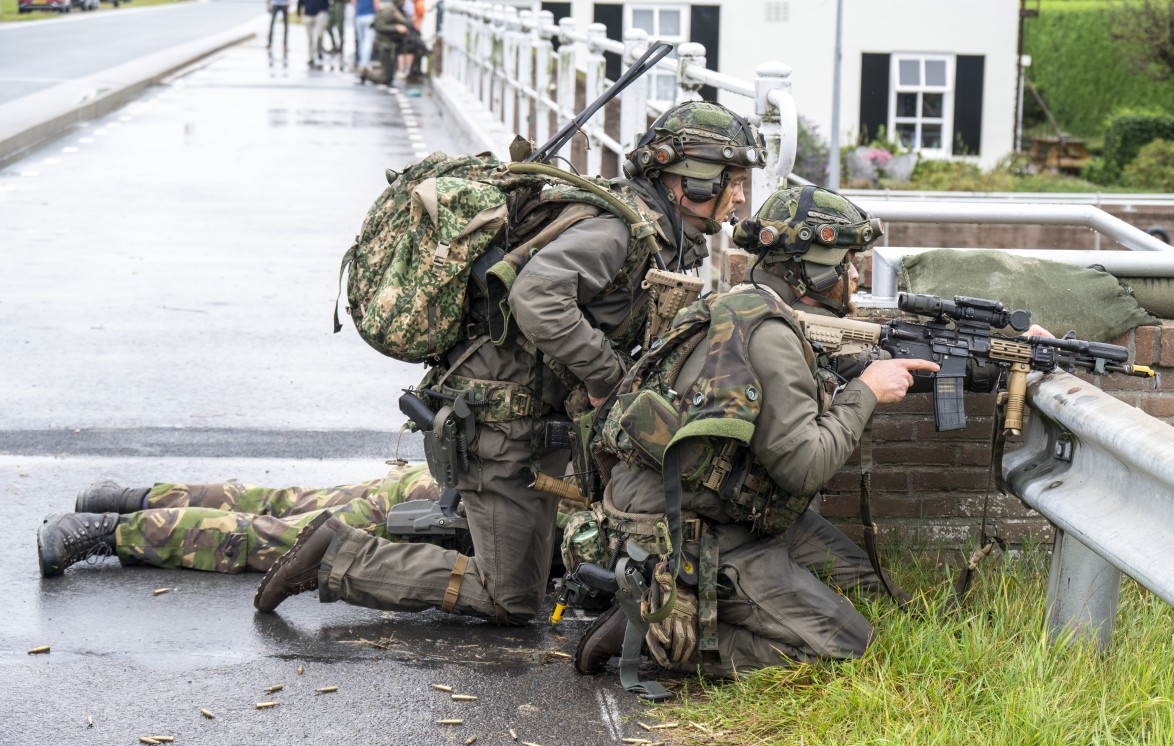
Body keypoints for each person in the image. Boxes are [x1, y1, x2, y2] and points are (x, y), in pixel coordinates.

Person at [252, 101, 767, 626]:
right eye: (734, 180)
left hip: (528, 421)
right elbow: (537, 298)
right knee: (511, 597)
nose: (742, 197)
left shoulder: (659, 232)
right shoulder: (619, 233)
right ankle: (338, 555)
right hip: (500, 424)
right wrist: (606, 377)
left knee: (546, 566)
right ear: (690, 181)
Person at [571, 185, 940, 680]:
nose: (855, 275)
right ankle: (658, 631)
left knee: (872, 594)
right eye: (847, 262)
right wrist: (867, 392)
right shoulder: (769, 335)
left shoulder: (748, 306)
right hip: (690, 534)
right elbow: (804, 467)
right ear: (812, 270)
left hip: (723, 507)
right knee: (851, 649)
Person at [35, 466, 442, 577]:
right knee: (275, 538)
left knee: (283, 504)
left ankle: (126, 500)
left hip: (440, 482)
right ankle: (107, 530)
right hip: (443, 509)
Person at [370, 0, 426, 84]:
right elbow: (378, 26)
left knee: (417, 47)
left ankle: (413, 75)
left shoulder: (400, 11)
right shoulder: (388, 11)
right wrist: (395, 27)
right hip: (385, 45)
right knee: (386, 78)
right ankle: (366, 72)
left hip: (396, 44)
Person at [298, 0, 330, 69]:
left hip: (320, 13)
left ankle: (319, 50)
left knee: (320, 35)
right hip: (308, 14)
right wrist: (298, 13)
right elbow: (300, 2)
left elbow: (327, 3)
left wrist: (326, 11)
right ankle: (311, 57)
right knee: (310, 38)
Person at [353, 0, 376, 74]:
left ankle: (362, 61)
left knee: (361, 41)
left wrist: (357, 11)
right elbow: (376, 2)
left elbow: (353, 2)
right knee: (368, 41)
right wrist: (377, 13)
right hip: (370, 16)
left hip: (359, 16)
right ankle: (365, 63)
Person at [325, 0, 347, 66]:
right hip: (332, 9)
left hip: (340, 8)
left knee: (340, 29)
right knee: (328, 27)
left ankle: (341, 47)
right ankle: (334, 45)